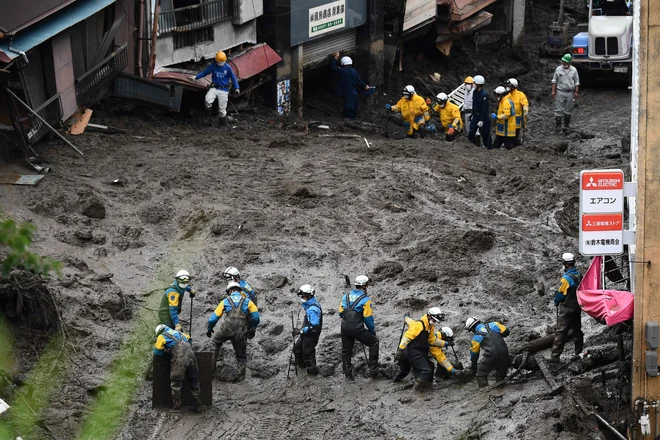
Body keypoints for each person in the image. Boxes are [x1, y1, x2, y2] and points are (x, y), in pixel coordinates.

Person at [206, 281, 260, 381]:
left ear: (230, 290)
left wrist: (210, 329)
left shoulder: (225, 301)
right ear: (240, 291)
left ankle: (210, 371)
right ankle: (239, 378)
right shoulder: (248, 301)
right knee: (241, 356)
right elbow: (256, 317)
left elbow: (213, 319)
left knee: (215, 343)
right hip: (241, 331)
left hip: (227, 329)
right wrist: (253, 329)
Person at [393, 309, 457, 390]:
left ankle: (424, 386)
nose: (434, 322)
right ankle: (415, 391)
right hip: (413, 353)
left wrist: (406, 317)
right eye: (434, 320)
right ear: (429, 316)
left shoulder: (429, 327)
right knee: (426, 370)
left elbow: (432, 340)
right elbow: (407, 337)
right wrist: (400, 350)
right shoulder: (419, 325)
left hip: (411, 353)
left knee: (405, 371)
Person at [339, 275, 379, 380]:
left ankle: (348, 374)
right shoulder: (365, 300)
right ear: (364, 286)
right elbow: (368, 318)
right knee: (374, 342)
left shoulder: (345, 296)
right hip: (357, 328)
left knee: (346, 350)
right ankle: (373, 370)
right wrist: (372, 331)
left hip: (344, 327)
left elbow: (341, 313)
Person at [153, 324, 201, 411]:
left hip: (179, 359)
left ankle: (177, 407)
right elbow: (190, 340)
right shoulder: (181, 333)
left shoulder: (162, 336)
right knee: (194, 381)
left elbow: (156, 352)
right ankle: (198, 406)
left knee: (176, 384)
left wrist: (166, 351)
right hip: (192, 357)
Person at [189, 51, 240, 126]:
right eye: (219, 61)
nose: (220, 63)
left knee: (222, 110)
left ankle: (222, 123)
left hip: (224, 90)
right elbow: (204, 73)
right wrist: (196, 77)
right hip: (214, 88)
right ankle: (208, 118)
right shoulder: (213, 66)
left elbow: (233, 78)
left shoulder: (228, 68)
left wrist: (237, 88)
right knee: (207, 99)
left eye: (222, 61)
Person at [550, 253, 584, 363]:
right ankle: (578, 353)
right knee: (577, 331)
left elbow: (561, 294)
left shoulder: (566, 279)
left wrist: (556, 301)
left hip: (567, 309)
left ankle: (555, 357)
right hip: (577, 307)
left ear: (566, 264)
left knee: (561, 331)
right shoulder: (579, 275)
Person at [465, 317, 510, 387]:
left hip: (491, 354)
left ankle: (485, 392)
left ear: (472, 329)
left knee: (481, 374)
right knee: (501, 374)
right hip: (504, 350)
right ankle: (501, 387)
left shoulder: (476, 338)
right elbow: (507, 332)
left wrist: (473, 366)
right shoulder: (494, 324)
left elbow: (474, 355)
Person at [329, 52, 371, 119]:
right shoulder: (354, 71)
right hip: (354, 92)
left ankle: (348, 120)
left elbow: (332, 66)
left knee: (348, 108)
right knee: (354, 107)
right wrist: (365, 86)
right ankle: (353, 119)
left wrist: (335, 58)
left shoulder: (341, 71)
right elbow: (359, 81)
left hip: (347, 92)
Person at [292, 284, 323, 375]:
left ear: (308, 296)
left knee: (308, 354)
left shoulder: (312, 309)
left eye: (303, 296)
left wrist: (300, 331)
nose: (301, 298)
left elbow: (314, 326)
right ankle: (301, 366)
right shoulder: (310, 305)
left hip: (311, 336)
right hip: (305, 335)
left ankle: (312, 372)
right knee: (297, 349)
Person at [551, 54, 580, 131]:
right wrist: (553, 91)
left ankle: (566, 126)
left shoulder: (574, 70)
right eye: (563, 62)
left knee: (568, 109)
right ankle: (558, 126)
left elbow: (577, 81)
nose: (564, 63)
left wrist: (576, 92)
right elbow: (554, 81)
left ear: (569, 63)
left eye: (566, 62)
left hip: (570, 92)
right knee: (559, 109)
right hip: (560, 91)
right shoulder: (558, 69)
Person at [467, 75, 492, 149]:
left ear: (478, 84)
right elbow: (474, 104)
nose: (473, 84)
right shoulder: (474, 92)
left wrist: (481, 120)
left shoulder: (484, 95)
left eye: (474, 83)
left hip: (483, 117)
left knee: (485, 134)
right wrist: (472, 114)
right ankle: (469, 146)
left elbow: (484, 108)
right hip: (475, 115)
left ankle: (489, 148)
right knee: (471, 131)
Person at [490, 86, 517, 150]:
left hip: (507, 129)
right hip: (502, 129)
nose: (496, 97)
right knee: (496, 145)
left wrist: (497, 117)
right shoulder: (503, 101)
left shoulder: (506, 102)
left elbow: (506, 116)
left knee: (508, 145)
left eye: (497, 95)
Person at [505, 78, 529, 145]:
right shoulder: (507, 95)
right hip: (509, 119)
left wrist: (525, 110)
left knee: (515, 135)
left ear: (513, 87)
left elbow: (525, 103)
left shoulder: (520, 95)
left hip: (517, 120)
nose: (507, 87)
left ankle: (517, 145)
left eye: (509, 86)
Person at [462, 76, 479, 143]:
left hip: (473, 113)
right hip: (466, 112)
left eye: (469, 84)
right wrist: (463, 109)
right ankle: (470, 141)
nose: (467, 85)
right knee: (468, 128)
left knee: (475, 129)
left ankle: (477, 142)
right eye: (466, 84)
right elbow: (465, 101)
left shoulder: (475, 92)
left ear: (472, 84)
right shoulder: (466, 92)